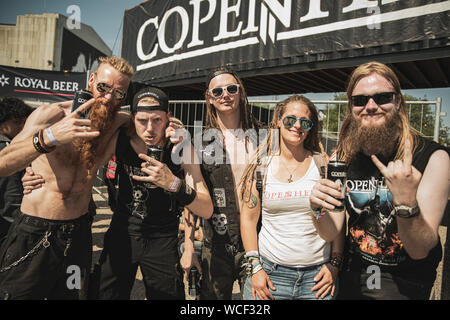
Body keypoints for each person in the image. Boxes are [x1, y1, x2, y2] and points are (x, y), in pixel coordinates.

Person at [312, 61, 450, 300]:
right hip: (352, 276)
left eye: (382, 97)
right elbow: (330, 230)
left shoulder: (433, 158)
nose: (371, 106)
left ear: (398, 102)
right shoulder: (343, 156)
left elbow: (419, 250)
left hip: (404, 284)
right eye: (360, 100)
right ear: (351, 107)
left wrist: (406, 202)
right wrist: (316, 209)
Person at [0, 56, 134, 299]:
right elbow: (3, 163)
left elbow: (152, 122)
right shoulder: (51, 115)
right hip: (35, 230)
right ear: (91, 80)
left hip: (79, 234)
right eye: (103, 88)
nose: (108, 98)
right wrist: (46, 139)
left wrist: (171, 125)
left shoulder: (118, 122)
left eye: (118, 93)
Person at [96, 86, 213, 300]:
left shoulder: (180, 146)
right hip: (123, 231)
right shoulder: (119, 139)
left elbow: (205, 207)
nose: (149, 128)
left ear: (167, 118)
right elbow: (85, 167)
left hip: (163, 236)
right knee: (105, 294)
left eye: (157, 120)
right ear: (132, 118)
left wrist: (173, 183)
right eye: (142, 120)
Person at [239, 95, 345, 300]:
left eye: (305, 122)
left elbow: (338, 216)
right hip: (270, 276)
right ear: (279, 120)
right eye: (290, 119)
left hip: (317, 280)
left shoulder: (323, 165)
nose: (297, 126)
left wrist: (335, 265)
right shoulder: (261, 166)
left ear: (311, 127)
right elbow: (248, 219)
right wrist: (255, 268)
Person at [181, 67, 261, 299]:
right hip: (216, 245)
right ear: (209, 97)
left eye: (231, 88)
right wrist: (188, 248)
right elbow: (192, 198)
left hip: (256, 243)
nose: (225, 94)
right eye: (217, 91)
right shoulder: (198, 143)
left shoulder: (263, 137)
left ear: (240, 92)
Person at [0, 97, 34, 239]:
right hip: (7, 226)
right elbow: (12, 197)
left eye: (23, 122)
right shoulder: (8, 148)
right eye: (16, 122)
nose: (21, 127)